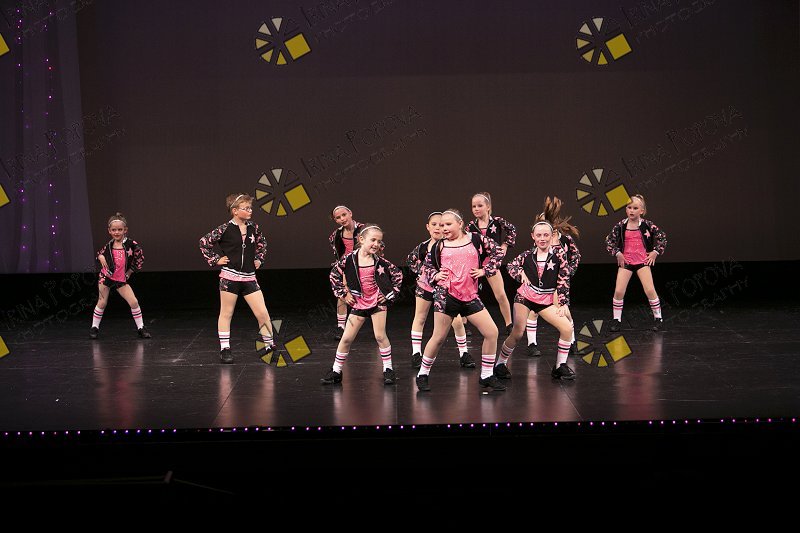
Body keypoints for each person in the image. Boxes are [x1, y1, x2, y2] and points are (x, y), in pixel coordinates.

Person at [415, 209, 505, 392]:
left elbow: (498, 252)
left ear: (460, 224)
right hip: (446, 296)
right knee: (438, 337)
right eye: (442, 225)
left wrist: (485, 270)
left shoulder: (476, 239)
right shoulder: (439, 246)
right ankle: (422, 374)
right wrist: (435, 275)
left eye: (448, 224)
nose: (444, 228)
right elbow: (427, 266)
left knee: (492, 332)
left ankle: (487, 375)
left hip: (470, 296)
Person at [322, 224, 403, 386]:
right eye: (373, 240)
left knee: (380, 336)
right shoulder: (349, 259)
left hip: (376, 304)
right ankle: (336, 371)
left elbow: (398, 275)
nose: (376, 244)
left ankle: (388, 369)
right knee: (346, 338)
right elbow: (334, 275)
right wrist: (344, 293)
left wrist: (389, 294)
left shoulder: (380, 262)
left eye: (379, 241)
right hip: (358, 303)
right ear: (361, 239)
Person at [199, 194, 272, 364]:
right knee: (226, 313)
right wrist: (215, 259)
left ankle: (269, 347)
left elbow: (262, 243)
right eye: (246, 208)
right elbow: (204, 242)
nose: (250, 211)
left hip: (249, 278)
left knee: (263, 313)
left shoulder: (254, 227)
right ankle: (225, 349)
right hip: (229, 277)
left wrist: (259, 259)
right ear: (235, 211)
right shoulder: (224, 229)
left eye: (250, 208)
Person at [498, 221, 576, 381]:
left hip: (545, 300)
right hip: (525, 297)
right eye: (539, 235)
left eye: (546, 235)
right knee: (518, 332)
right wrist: (520, 273)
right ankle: (500, 363)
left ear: (551, 236)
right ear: (533, 236)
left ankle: (559, 366)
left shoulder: (558, 256)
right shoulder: (527, 255)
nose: (542, 238)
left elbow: (563, 279)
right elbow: (511, 266)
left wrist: (563, 302)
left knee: (567, 328)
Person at [407, 211, 473, 369]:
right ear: (428, 227)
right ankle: (416, 353)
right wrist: (424, 272)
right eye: (434, 224)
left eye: (441, 224)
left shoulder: (450, 245)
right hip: (425, 286)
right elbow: (411, 260)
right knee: (420, 317)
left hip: (446, 289)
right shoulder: (423, 247)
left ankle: (464, 353)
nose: (438, 228)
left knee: (457, 320)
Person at [605, 194, 667, 332]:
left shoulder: (647, 225)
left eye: (635, 208)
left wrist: (655, 252)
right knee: (619, 291)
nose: (631, 210)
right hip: (626, 262)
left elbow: (662, 237)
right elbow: (609, 241)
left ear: (642, 211)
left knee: (649, 290)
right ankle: (616, 319)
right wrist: (618, 253)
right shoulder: (621, 225)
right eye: (629, 207)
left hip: (642, 261)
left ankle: (658, 318)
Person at [90, 212, 150, 339]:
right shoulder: (109, 245)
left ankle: (141, 327)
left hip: (120, 279)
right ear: (109, 231)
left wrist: (130, 272)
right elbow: (99, 255)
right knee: (102, 302)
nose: (116, 232)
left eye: (119, 230)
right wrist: (100, 257)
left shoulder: (131, 244)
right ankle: (94, 327)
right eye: (114, 230)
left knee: (133, 302)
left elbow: (140, 258)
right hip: (106, 276)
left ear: (125, 230)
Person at [467, 192, 517, 333]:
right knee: (466, 295)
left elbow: (512, 230)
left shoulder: (497, 221)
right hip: (475, 264)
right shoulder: (470, 226)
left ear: (488, 207)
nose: (476, 209)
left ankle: (509, 324)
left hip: (491, 263)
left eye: (480, 206)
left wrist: (505, 245)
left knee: (500, 294)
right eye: (474, 206)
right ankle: (464, 326)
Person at [328, 205, 365, 339]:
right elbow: (338, 252)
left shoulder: (364, 229)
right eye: (338, 218)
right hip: (347, 267)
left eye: (344, 215)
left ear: (350, 213)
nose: (342, 219)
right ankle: (341, 327)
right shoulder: (336, 234)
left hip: (364, 265)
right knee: (342, 295)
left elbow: (378, 245)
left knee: (367, 295)